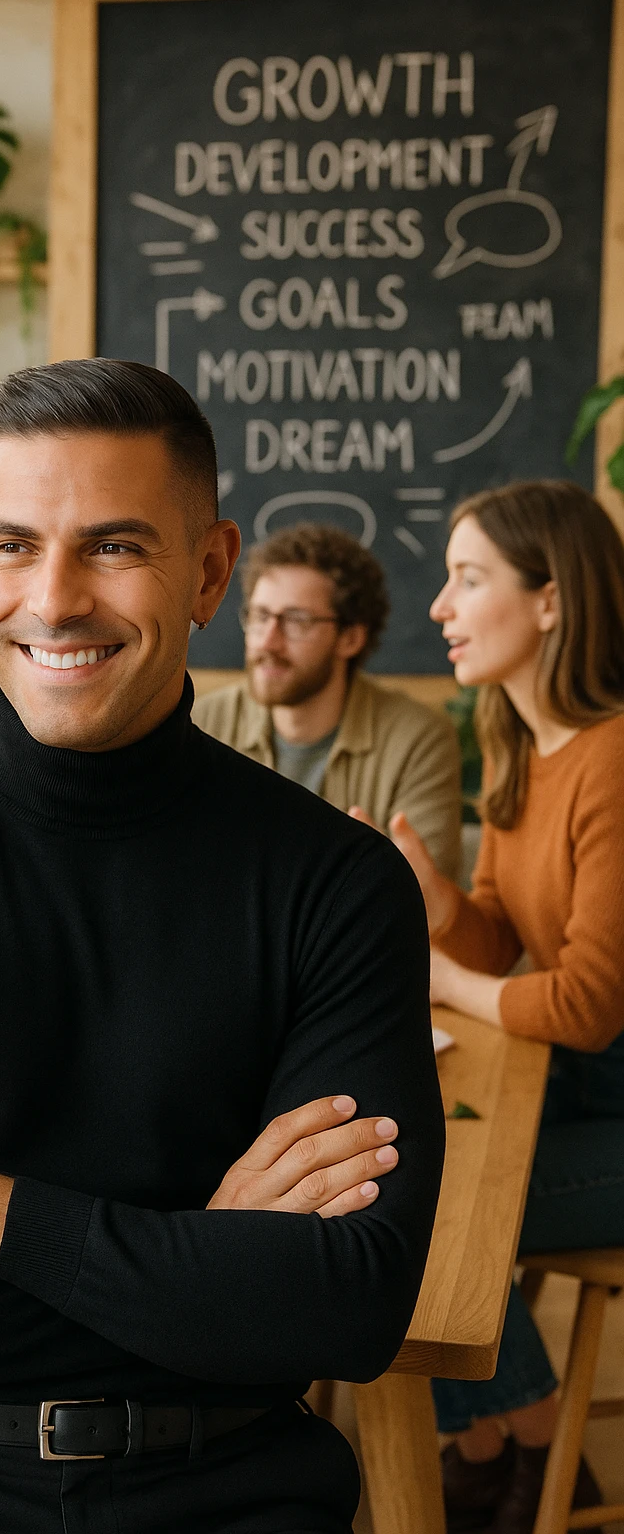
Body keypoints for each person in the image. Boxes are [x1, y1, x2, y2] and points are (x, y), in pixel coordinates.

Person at [0, 360, 445, 1534]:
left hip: (231, 1489)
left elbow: (347, 1308)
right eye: (11, 546)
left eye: (112, 547)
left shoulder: (339, 887)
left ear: (209, 569)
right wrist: (200, 1261)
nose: (52, 600)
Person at [375, 481, 624, 1534]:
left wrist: (441, 977)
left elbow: (585, 1005)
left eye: (468, 579)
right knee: (402, 1179)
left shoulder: (613, 760)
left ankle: (526, 1444)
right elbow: (498, 930)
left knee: (432, 1218)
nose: (438, 605)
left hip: (610, 1100)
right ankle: (497, 1444)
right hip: (580, 1095)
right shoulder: (520, 746)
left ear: (552, 601)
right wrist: (434, 897)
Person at [192, 524, 462, 878]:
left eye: (296, 621)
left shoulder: (416, 741)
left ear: (350, 638)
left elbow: (424, 901)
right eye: (260, 617)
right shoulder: (202, 724)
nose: (267, 642)